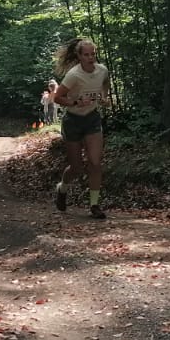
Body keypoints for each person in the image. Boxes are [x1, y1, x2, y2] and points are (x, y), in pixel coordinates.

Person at [49, 38, 109, 218]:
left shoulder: (102, 70)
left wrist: (104, 97)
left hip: (92, 119)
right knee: (76, 167)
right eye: (86, 55)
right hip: (73, 121)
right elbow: (57, 97)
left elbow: (105, 83)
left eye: (93, 54)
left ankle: (94, 205)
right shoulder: (74, 75)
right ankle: (62, 188)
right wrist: (76, 102)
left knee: (95, 163)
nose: (91, 58)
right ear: (79, 56)